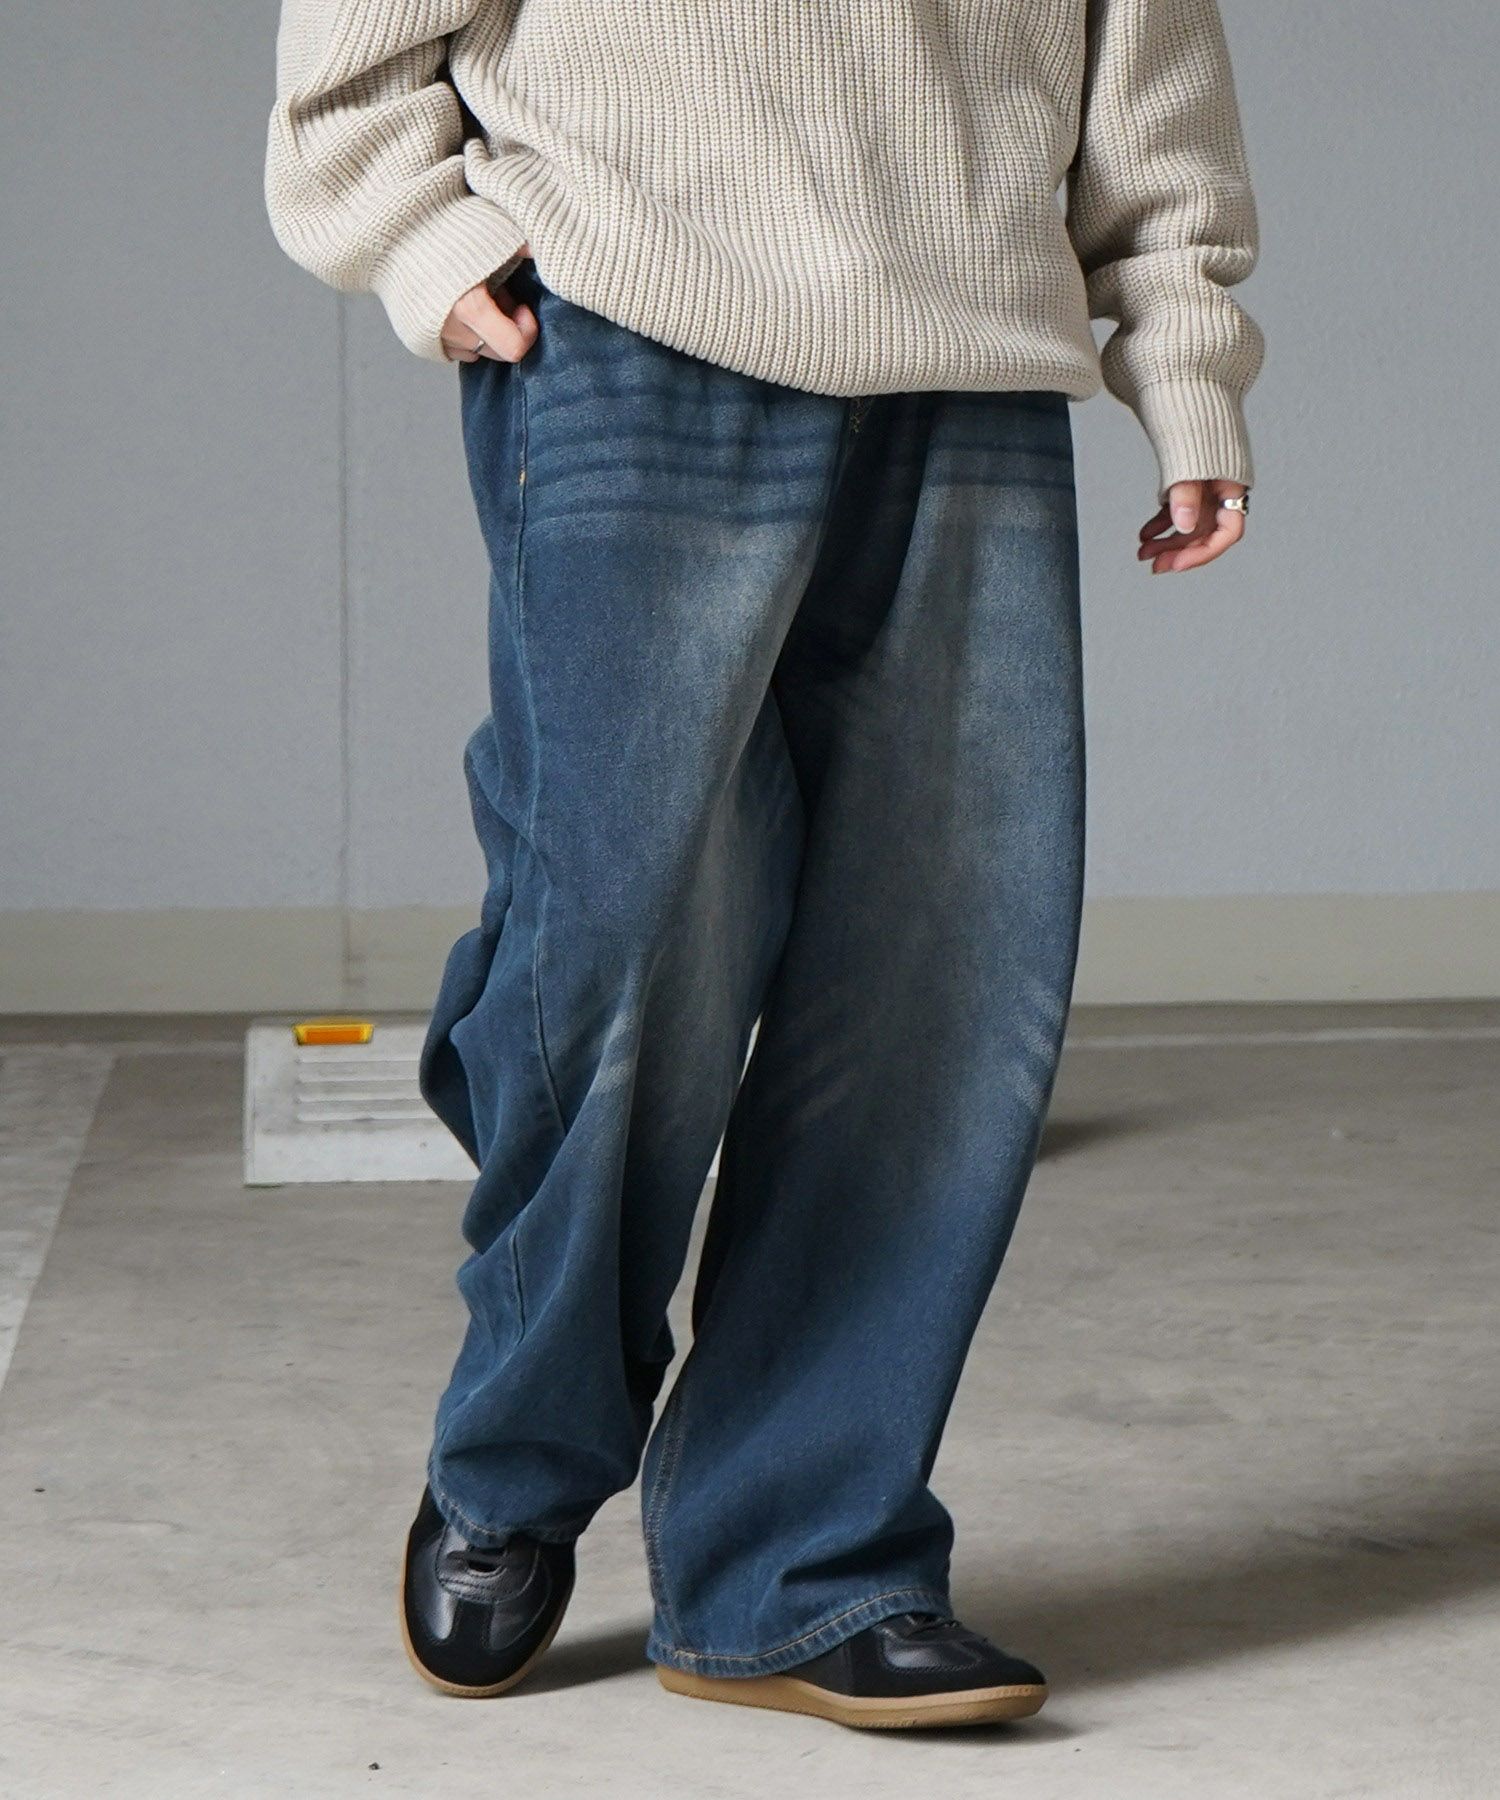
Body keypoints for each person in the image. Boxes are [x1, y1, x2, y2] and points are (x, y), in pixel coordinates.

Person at [265, 0, 1262, 1731]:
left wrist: (1180, 341)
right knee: (621, 938)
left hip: (969, 343)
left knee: (943, 983)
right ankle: (520, 1447)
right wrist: (418, 232)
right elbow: (349, 56)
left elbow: (1146, 46)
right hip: (629, 305)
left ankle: (802, 1561)